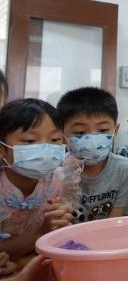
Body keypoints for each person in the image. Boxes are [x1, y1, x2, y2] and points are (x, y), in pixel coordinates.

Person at [0, 99, 73, 260]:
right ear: (2, 149)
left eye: (55, 140)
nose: (45, 150)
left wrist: (59, 223)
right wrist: (41, 232)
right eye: (30, 141)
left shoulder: (59, 180)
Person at [57, 87, 128, 223]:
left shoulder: (126, 169)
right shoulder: (56, 169)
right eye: (80, 132)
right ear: (62, 134)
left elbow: (114, 222)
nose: (92, 139)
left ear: (115, 130)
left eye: (103, 130)